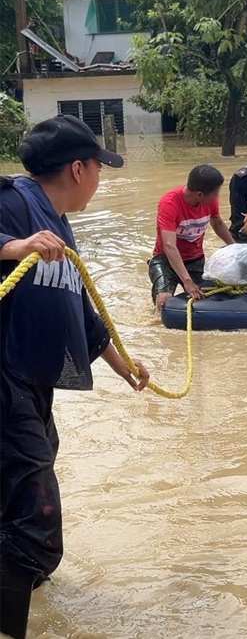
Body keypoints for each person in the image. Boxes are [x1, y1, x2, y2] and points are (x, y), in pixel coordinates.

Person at [0, 115, 150, 638]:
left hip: (29, 388)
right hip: (3, 382)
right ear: (80, 168)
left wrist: (124, 365)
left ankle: (20, 601)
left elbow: (83, 318)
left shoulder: (60, 229)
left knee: (16, 506)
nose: (101, 180)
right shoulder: (15, 200)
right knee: (35, 523)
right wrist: (14, 247)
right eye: (100, 169)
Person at [148, 165, 234, 310]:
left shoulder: (210, 201)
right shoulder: (169, 204)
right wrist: (187, 281)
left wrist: (235, 247)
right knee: (163, 302)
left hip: (195, 260)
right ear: (200, 195)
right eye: (215, 194)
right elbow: (169, 246)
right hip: (165, 261)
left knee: (208, 299)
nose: (217, 198)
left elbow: (217, 222)